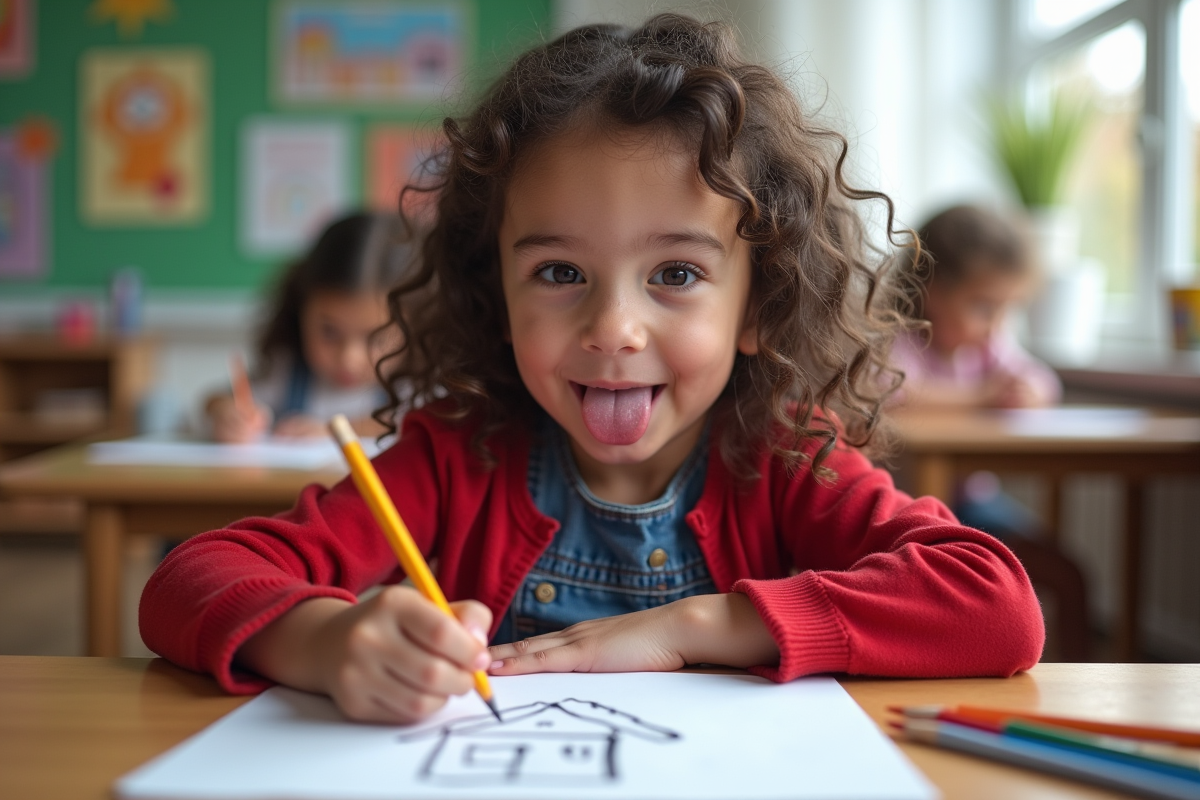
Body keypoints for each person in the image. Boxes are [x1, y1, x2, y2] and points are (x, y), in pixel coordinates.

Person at [141, 15, 1044, 724]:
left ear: (760, 307)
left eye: (677, 275)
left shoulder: (788, 460)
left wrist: (695, 627)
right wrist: (330, 642)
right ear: (496, 296)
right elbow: (192, 578)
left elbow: (995, 605)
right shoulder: (457, 457)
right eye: (560, 273)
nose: (613, 328)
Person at [204, 212, 413, 442]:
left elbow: (405, 423)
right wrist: (225, 413)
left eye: (376, 338)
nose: (349, 358)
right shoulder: (286, 374)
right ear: (301, 308)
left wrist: (331, 432)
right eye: (329, 332)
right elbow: (215, 401)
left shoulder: (416, 387)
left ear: (414, 325)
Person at [891, 204, 1062, 409]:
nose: (996, 324)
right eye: (986, 308)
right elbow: (895, 393)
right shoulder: (900, 341)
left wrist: (1030, 391)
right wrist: (982, 396)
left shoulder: (988, 347)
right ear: (932, 294)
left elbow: (1045, 381)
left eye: (1008, 309)